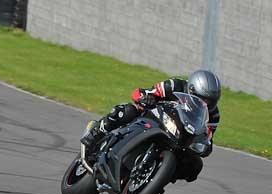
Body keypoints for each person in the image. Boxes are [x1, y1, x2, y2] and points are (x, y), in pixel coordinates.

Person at [81, 69, 221, 182]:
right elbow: (142, 92)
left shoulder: (213, 115)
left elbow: (207, 137)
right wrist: (145, 97)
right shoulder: (174, 85)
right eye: (202, 98)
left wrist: (205, 147)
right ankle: (96, 133)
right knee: (128, 111)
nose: (205, 103)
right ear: (191, 89)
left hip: (180, 138)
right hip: (154, 117)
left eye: (210, 100)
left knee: (194, 166)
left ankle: (158, 177)